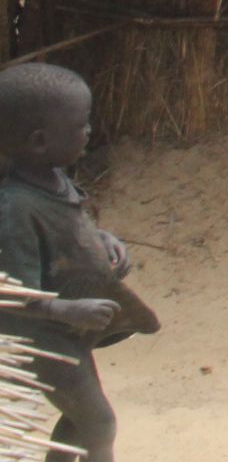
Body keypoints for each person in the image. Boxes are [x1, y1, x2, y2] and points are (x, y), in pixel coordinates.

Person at [0, 63, 161, 462]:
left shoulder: (54, 179)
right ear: (39, 141)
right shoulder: (16, 207)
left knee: (80, 421)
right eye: (80, 125)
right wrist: (67, 308)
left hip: (65, 332)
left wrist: (103, 242)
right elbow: (11, 292)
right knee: (98, 423)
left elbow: (69, 231)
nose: (88, 131)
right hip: (35, 338)